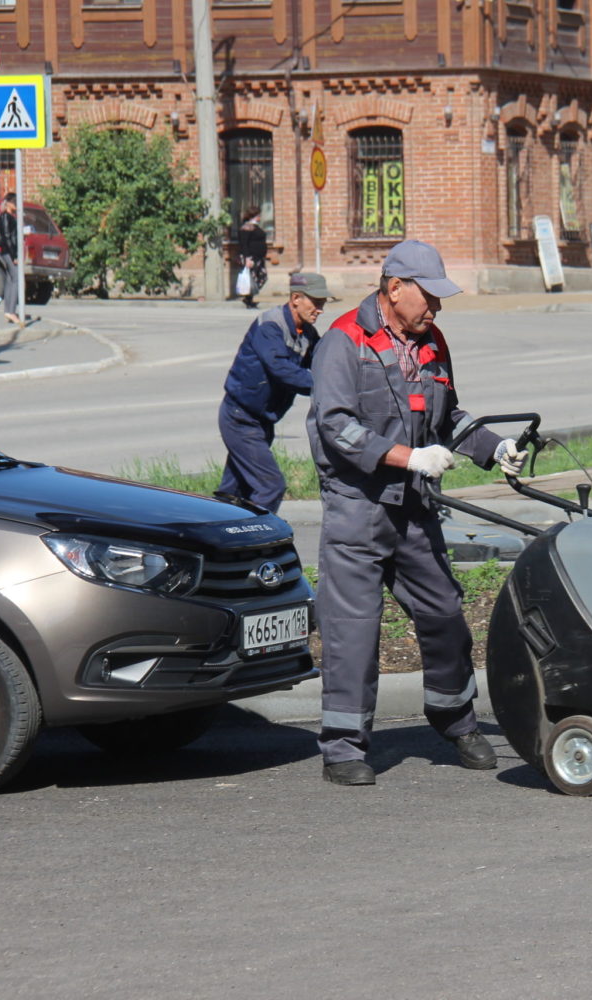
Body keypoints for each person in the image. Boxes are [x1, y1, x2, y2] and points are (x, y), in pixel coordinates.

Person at [307, 239, 526, 786]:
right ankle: (344, 749)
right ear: (394, 288)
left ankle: (454, 720)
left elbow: (449, 415)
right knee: (352, 631)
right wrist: (408, 457)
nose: (437, 308)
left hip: (413, 508)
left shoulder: (432, 342)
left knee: (446, 616)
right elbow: (335, 427)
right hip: (358, 508)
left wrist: (494, 448)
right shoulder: (344, 342)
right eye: (428, 296)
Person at [215, 271, 328, 513]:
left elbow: (324, 360)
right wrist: (323, 386)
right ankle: (257, 538)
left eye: (322, 303)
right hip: (240, 418)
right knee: (271, 486)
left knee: (233, 493)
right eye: (316, 303)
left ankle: (220, 539)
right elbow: (281, 370)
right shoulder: (271, 325)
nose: (320, 309)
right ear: (296, 298)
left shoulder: (306, 332)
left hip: (261, 421)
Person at [0, 193, 22, 325]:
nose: (16, 205)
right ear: (8, 203)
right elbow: (7, 237)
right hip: (9, 252)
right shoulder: (6, 217)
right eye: (14, 203)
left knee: (10, 279)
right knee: (16, 279)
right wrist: (14, 256)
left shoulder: (8, 217)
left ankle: (8, 310)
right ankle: (11, 310)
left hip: (8, 251)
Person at [237, 210, 268, 309]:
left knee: (262, 277)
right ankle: (248, 299)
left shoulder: (256, 227)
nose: (260, 217)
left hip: (259, 257)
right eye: (258, 215)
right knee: (251, 279)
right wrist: (247, 259)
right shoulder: (246, 228)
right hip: (251, 257)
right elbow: (244, 244)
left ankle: (249, 298)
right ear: (253, 216)